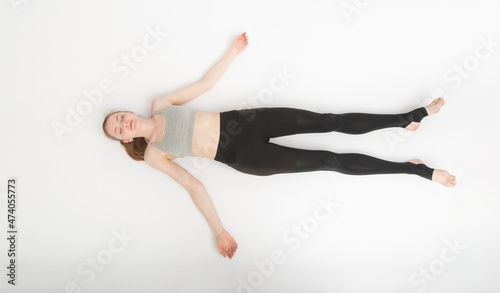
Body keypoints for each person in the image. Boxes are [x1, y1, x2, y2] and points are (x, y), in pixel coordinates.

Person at [102, 32, 457, 260]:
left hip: (245, 121)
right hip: (244, 156)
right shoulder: (151, 154)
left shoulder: (161, 103)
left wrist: (233, 53)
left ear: (126, 112)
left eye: (119, 118)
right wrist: (219, 230)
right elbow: (192, 184)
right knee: (330, 161)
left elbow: (204, 85)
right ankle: (415, 169)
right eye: (118, 131)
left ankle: (406, 118)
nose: (122, 125)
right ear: (125, 139)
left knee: (328, 120)